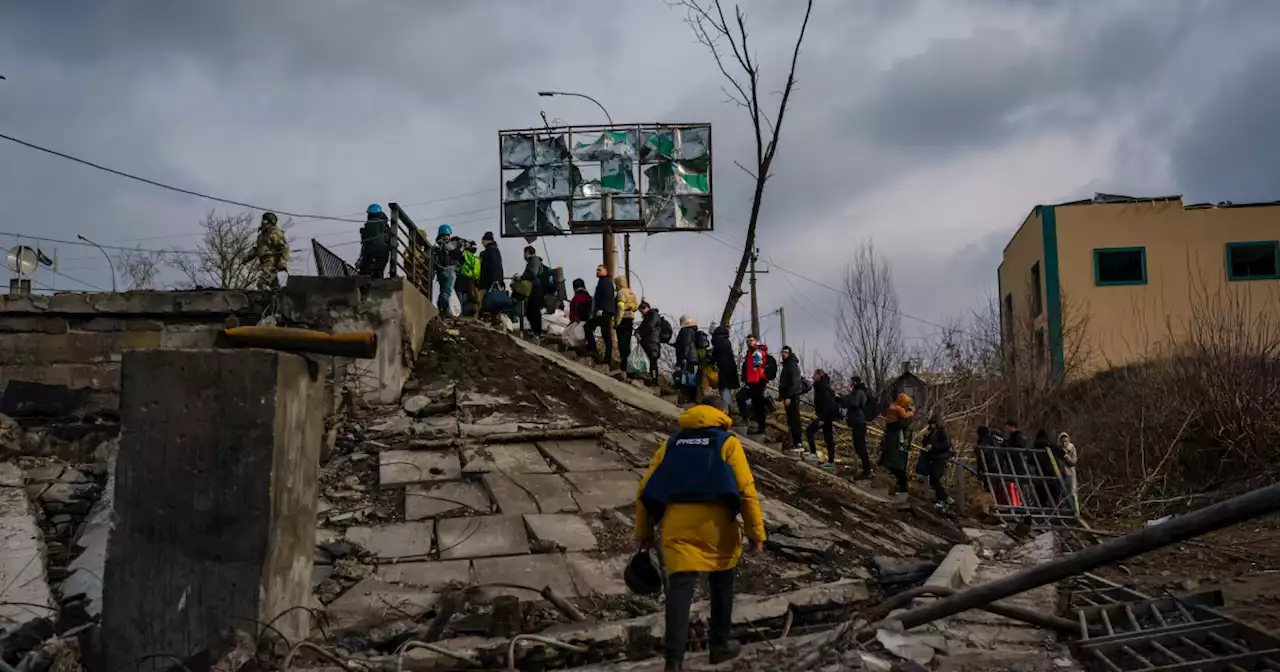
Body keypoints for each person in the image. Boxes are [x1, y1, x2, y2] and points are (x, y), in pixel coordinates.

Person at [635, 395, 765, 672]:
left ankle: (673, 661)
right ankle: (719, 646)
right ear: (721, 413)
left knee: (680, 589)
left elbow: (644, 490)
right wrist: (757, 533)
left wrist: (644, 534)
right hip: (717, 527)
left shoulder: (671, 443)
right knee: (722, 581)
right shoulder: (727, 442)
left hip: (676, 525)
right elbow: (746, 490)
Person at [243, 212, 290, 291]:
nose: (262, 222)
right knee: (274, 286)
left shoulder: (275, 233)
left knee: (262, 283)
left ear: (270, 222)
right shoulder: (261, 236)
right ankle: (277, 299)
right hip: (264, 261)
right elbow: (256, 249)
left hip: (271, 261)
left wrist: (282, 261)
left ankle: (264, 300)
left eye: (265, 221)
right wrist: (246, 257)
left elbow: (284, 248)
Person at [881, 393, 915, 495]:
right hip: (897, 443)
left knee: (898, 466)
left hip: (900, 443)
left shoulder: (901, 417)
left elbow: (904, 426)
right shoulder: (898, 414)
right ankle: (901, 485)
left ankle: (902, 486)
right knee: (895, 465)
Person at [738, 335, 772, 435]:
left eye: (751, 340)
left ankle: (760, 427)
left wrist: (757, 368)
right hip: (751, 381)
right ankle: (747, 418)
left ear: (756, 341)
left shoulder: (758, 350)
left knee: (758, 405)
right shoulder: (749, 352)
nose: (749, 342)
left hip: (758, 381)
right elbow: (746, 366)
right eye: (747, 341)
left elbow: (759, 361)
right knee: (741, 397)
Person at [843, 376, 875, 480]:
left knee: (860, 447)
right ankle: (867, 470)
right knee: (858, 448)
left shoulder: (858, 392)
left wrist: (850, 392)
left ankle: (867, 470)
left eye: (850, 382)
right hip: (856, 422)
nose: (849, 383)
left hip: (859, 423)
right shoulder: (857, 392)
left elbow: (854, 403)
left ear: (854, 383)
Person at [805, 369, 839, 468]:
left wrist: (822, 419)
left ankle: (814, 454)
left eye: (814, 375)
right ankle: (831, 462)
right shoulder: (822, 386)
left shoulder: (823, 387)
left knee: (809, 430)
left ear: (819, 375)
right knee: (828, 438)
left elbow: (827, 404)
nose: (813, 377)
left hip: (825, 417)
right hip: (826, 416)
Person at [921, 413, 955, 508]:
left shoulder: (942, 432)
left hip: (941, 457)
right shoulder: (931, 432)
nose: (931, 425)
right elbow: (925, 443)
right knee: (933, 479)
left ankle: (943, 498)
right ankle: (943, 497)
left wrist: (934, 447)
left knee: (936, 477)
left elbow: (946, 445)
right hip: (933, 457)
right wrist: (925, 439)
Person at [585, 264, 616, 366]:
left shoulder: (605, 282)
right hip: (605, 311)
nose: (597, 271)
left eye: (599, 270)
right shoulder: (604, 282)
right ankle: (607, 359)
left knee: (588, 327)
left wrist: (601, 310)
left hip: (604, 312)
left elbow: (606, 297)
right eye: (596, 270)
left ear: (605, 271)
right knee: (606, 335)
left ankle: (593, 350)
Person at [432, 224, 464, 315]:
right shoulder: (446, 243)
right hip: (448, 270)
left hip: (440, 271)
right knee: (447, 291)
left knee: (443, 290)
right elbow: (456, 253)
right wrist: (460, 247)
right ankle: (444, 309)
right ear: (447, 234)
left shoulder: (437, 245)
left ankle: (441, 308)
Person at [777, 346, 804, 452]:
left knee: (794, 419)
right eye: (783, 352)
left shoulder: (792, 365)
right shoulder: (787, 365)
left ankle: (799, 443)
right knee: (791, 420)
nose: (784, 354)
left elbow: (795, 383)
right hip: (787, 396)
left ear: (790, 353)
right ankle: (794, 443)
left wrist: (788, 396)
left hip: (792, 396)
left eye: (786, 352)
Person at [356, 204, 392, 279]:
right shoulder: (385, 225)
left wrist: (361, 258)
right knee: (378, 272)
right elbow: (390, 239)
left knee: (365, 273)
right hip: (382, 252)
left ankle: (366, 286)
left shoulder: (368, 225)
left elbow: (364, 243)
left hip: (369, 253)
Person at [709, 325, 739, 411]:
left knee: (724, 391)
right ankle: (731, 411)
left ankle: (726, 412)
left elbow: (715, 355)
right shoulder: (726, 340)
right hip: (731, 370)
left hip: (724, 370)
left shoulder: (718, 341)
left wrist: (711, 361)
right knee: (727, 392)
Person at [518, 246, 545, 337]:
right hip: (535, 288)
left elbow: (533, 273)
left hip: (535, 288)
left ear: (527, 252)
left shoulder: (533, 260)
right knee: (530, 311)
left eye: (524, 253)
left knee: (534, 310)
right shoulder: (535, 261)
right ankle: (535, 331)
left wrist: (521, 277)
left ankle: (537, 332)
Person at [614, 276, 639, 374]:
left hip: (623, 320)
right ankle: (628, 367)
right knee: (627, 344)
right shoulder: (631, 293)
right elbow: (636, 306)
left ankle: (624, 367)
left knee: (622, 344)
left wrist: (617, 322)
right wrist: (630, 306)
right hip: (630, 320)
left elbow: (620, 307)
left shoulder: (621, 293)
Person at [673, 316, 700, 403]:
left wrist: (683, 357)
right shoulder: (693, 331)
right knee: (691, 379)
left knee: (685, 378)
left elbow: (686, 344)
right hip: (694, 358)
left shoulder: (686, 330)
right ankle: (691, 399)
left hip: (688, 358)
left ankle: (686, 399)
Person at [636, 302, 662, 381]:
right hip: (647, 342)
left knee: (653, 362)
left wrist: (640, 333)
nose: (642, 312)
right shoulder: (647, 317)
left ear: (647, 307)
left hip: (653, 342)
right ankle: (649, 378)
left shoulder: (654, 315)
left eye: (642, 310)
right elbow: (641, 327)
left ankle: (654, 380)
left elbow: (650, 326)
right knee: (648, 361)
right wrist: (637, 332)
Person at [1058, 432, 1079, 515]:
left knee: (1072, 494)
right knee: (1062, 495)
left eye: (1066, 441)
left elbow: (1074, 462)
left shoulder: (1071, 448)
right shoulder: (1058, 450)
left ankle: (1075, 513)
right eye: (1062, 441)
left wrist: (1066, 456)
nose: (1064, 443)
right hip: (1061, 474)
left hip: (1070, 474)